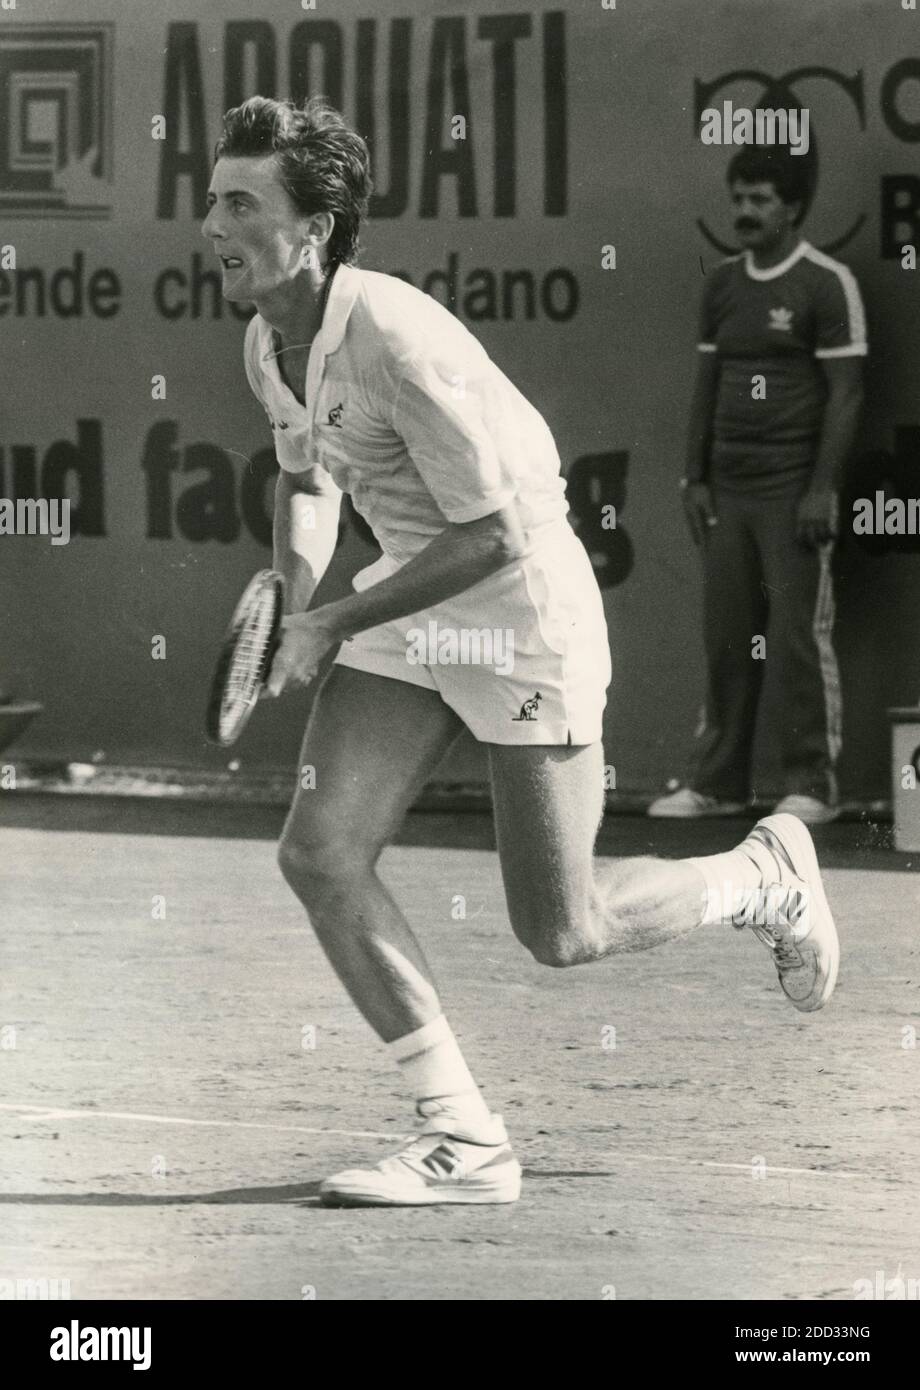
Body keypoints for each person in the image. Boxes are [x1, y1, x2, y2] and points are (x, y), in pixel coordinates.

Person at [203, 97, 840, 1209]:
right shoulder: (269, 338)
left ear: (313, 231)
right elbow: (308, 479)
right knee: (317, 853)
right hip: (412, 588)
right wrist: (295, 601)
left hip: (518, 604)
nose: (210, 224)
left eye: (238, 202)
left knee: (562, 930)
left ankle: (762, 875)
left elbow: (495, 530)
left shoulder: (396, 336)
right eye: (211, 197)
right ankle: (462, 1135)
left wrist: (329, 624)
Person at [649, 147, 866, 825]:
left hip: (792, 492)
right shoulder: (722, 286)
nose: (744, 211)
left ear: (793, 206)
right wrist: (695, 476)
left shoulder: (828, 285)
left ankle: (814, 786)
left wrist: (821, 489)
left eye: (760, 199)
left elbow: (848, 395)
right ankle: (720, 784)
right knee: (729, 638)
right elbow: (707, 386)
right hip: (728, 495)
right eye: (738, 197)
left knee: (796, 638)